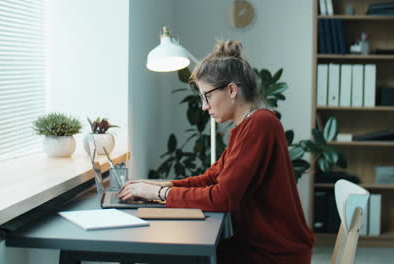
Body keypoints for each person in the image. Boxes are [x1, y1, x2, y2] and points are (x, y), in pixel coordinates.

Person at [118, 40, 314, 263]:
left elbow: (223, 197)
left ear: (231, 90)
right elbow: (211, 178)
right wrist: (159, 186)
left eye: (207, 96)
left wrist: (159, 195)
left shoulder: (260, 124)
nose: (204, 106)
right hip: (256, 247)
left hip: (273, 255)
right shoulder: (246, 127)